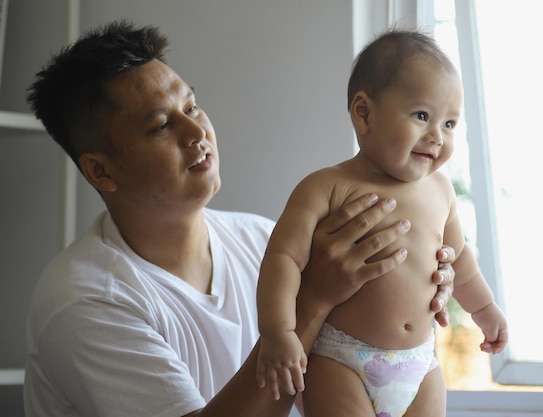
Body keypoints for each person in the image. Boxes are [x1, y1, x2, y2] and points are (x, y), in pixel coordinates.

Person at [23, 21, 457, 417]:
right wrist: (313, 299)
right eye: (160, 126)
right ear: (101, 170)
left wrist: (417, 277)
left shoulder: (257, 237)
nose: (197, 134)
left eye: (191, 108)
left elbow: (349, 357)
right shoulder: (83, 301)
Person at [255, 29, 508, 417]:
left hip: (420, 365)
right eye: (422, 116)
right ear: (364, 113)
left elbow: (459, 262)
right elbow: (282, 260)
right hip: (340, 362)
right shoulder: (325, 187)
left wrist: (486, 309)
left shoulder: (440, 191)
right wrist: (278, 333)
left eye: (450, 124)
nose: (437, 136)